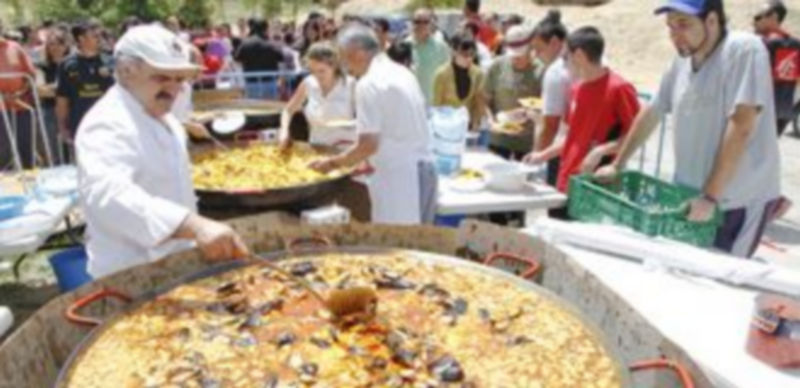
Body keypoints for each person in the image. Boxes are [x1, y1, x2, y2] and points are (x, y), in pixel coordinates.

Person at [595, 0, 782, 258]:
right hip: (689, 196)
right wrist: (617, 164)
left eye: (684, 24)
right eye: (670, 27)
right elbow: (652, 111)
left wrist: (710, 196)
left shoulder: (743, 49)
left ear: (712, 21)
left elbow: (742, 125)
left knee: (722, 278)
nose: (675, 35)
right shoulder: (681, 62)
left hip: (734, 200)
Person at [76, 24, 249, 279]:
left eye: (179, 79)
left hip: (175, 262)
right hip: (130, 273)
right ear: (126, 72)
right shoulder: (107, 123)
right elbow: (108, 195)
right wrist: (194, 225)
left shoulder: (163, 116)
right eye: (161, 77)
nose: (173, 89)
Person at [310, 25, 437, 225]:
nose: (344, 67)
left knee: (400, 248)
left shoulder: (368, 84)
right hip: (425, 169)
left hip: (400, 179)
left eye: (344, 58)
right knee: (421, 244)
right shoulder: (403, 72)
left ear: (359, 54)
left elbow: (368, 144)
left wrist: (333, 163)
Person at [530, 27, 640, 221]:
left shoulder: (620, 89)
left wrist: (600, 151)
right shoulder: (577, 89)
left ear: (579, 55)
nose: (563, 63)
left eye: (566, 56)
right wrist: (542, 155)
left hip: (595, 188)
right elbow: (573, 137)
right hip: (565, 183)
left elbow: (636, 137)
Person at [524, 10, 571, 188]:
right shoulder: (594, 58)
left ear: (554, 42)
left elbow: (550, 126)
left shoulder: (556, 72)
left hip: (562, 152)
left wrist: (535, 157)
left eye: (538, 50)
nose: (536, 56)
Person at [55, 21, 114, 160]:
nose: (99, 38)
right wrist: (63, 127)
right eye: (94, 35)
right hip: (80, 125)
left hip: (108, 125)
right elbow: (62, 99)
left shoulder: (110, 61)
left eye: (100, 35)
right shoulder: (67, 65)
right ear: (81, 39)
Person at [483, 24, 544, 160]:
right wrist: (490, 120)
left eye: (520, 56)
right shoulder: (496, 66)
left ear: (530, 48)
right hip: (498, 140)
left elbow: (544, 109)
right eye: (513, 56)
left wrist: (528, 113)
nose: (515, 60)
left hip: (526, 144)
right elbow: (485, 100)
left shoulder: (541, 71)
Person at [753, 0, 799, 136]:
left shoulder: (760, 44)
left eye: (758, 16)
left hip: (758, 110)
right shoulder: (796, 44)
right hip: (782, 111)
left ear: (773, 17)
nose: (755, 20)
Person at [0, 18, 38, 170]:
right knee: (3, 154)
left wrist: (20, 92)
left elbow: (30, 75)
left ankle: (29, 186)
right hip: (1, 112)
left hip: (21, 107)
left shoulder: (15, 47)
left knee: (26, 150)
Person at [432, 30, 486, 131]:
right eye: (464, 54)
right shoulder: (441, 74)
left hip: (468, 128)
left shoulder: (478, 74)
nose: (468, 58)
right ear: (454, 51)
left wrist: (475, 124)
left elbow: (477, 102)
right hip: (446, 128)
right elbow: (437, 106)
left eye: (472, 54)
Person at [36, 28, 71, 165]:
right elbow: (40, 90)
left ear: (66, 45)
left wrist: (53, 88)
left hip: (71, 111)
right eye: (51, 44)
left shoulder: (72, 64)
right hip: (50, 111)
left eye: (59, 43)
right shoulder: (41, 66)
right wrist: (64, 88)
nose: (55, 47)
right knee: (52, 152)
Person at [234, 18, 290, 99]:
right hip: (269, 82)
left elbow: (237, 60)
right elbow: (281, 59)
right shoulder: (271, 44)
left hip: (251, 82)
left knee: (253, 109)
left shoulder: (245, 44)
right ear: (266, 29)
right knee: (270, 108)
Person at [407, 8, 451, 104]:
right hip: (409, 102)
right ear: (412, 23)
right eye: (417, 22)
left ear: (431, 24)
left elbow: (448, 75)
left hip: (432, 103)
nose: (421, 25)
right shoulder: (404, 46)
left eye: (425, 22)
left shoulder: (441, 46)